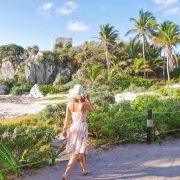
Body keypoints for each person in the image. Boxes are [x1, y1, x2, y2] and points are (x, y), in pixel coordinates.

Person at [62, 84, 93, 180]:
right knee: (76, 152)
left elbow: (67, 118)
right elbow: (92, 110)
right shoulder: (85, 104)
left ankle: (85, 169)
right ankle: (66, 174)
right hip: (82, 128)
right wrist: (88, 99)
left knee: (80, 151)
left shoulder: (69, 104)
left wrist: (64, 129)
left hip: (73, 127)